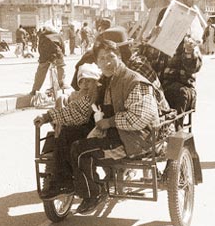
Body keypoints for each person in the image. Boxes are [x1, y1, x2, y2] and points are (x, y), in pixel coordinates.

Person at [69, 39, 160, 214]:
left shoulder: (134, 81)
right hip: (120, 134)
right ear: (97, 63)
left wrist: (109, 122)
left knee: (79, 151)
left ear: (119, 57)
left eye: (111, 56)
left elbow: (138, 120)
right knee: (73, 140)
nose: (107, 62)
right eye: (102, 59)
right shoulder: (109, 81)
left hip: (137, 139)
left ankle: (93, 194)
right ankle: (91, 186)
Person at [33, 63, 102, 199]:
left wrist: (48, 116)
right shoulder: (80, 94)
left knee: (65, 134)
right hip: (82, 128)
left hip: (94, 129)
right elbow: (70, 106)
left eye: (89, 81)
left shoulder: (94, 95)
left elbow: (76, 114)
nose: (85, 84)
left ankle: (64, 181)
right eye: (82, 81)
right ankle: (54, 174)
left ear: (96, 82)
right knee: (55, 136)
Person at [30, 26, 66, 96]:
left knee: (41, 72)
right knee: (61, 67)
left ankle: (35, 90)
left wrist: (41, 57)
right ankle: (62, 84)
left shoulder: (42, 36)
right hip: (57, 54)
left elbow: (39, 48)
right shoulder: (58, 36)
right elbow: (63, 47)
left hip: (45, 56)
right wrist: (62, 55)